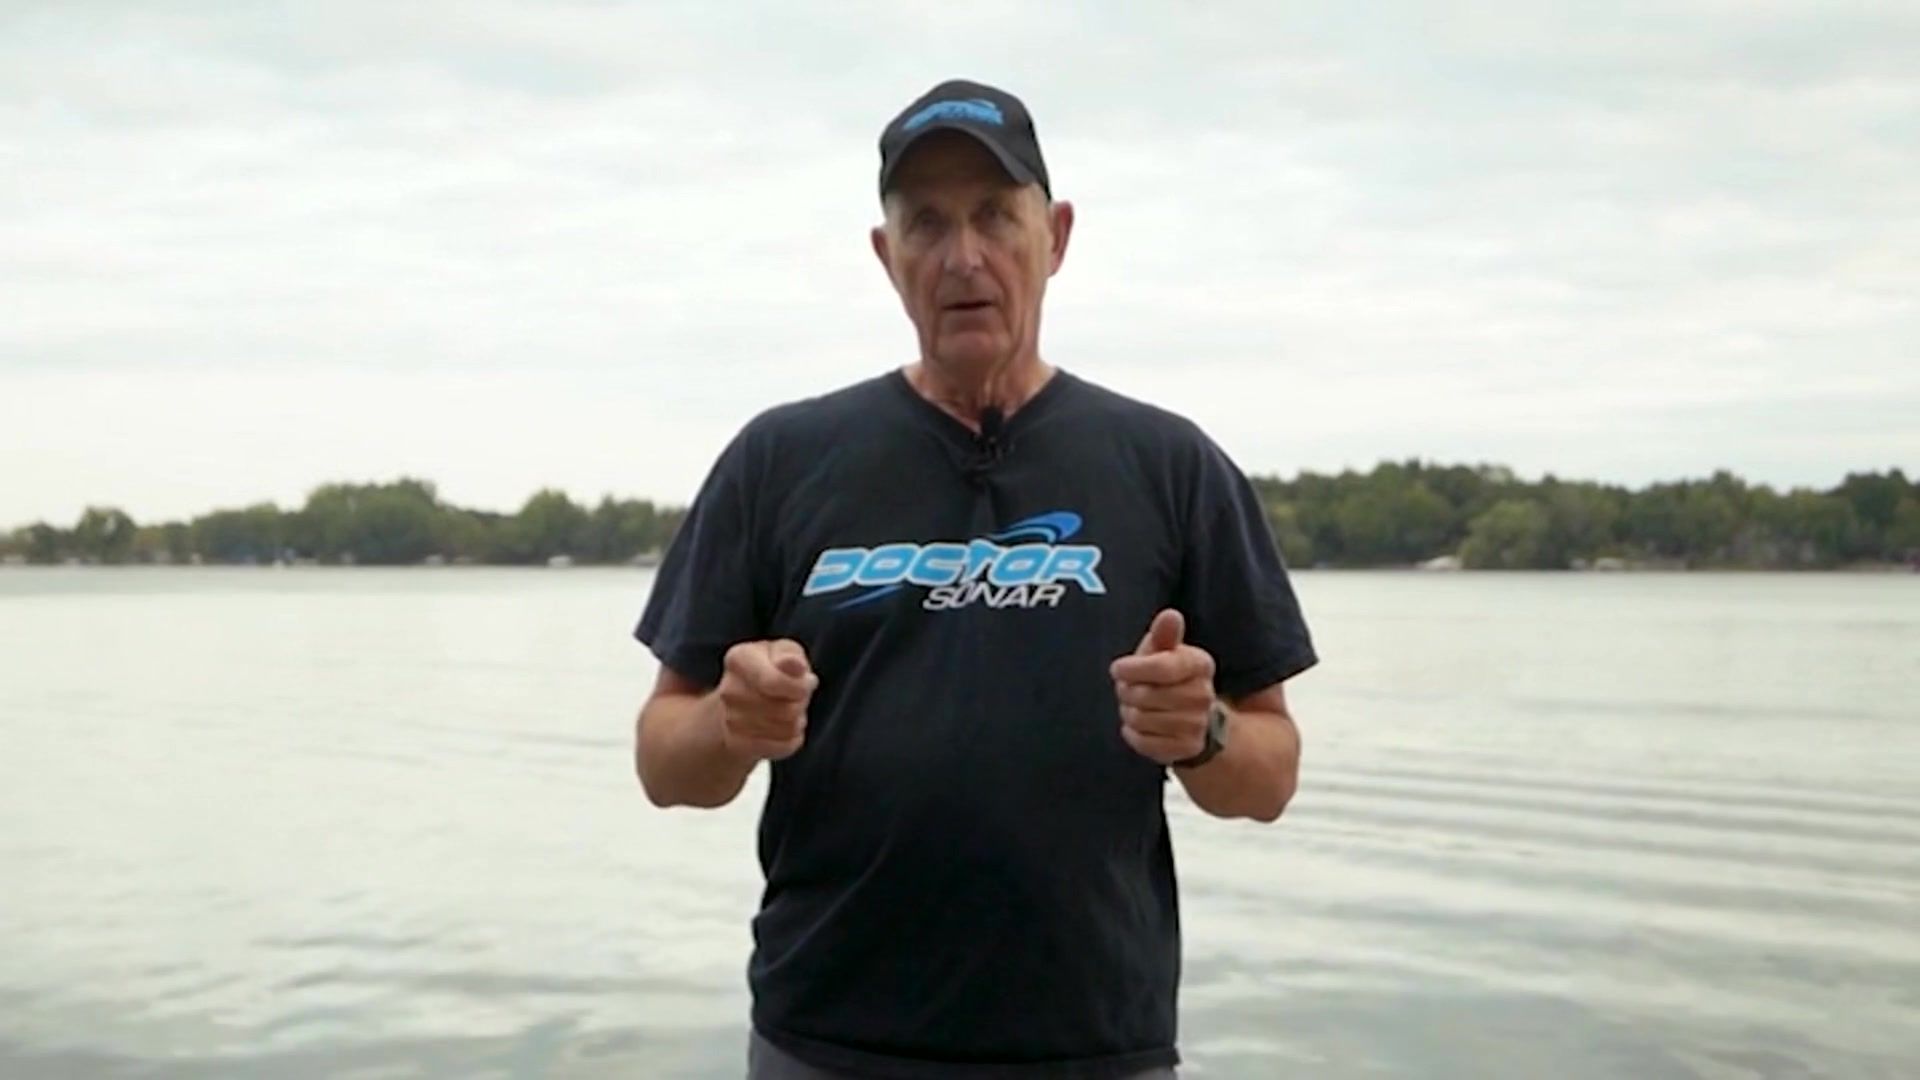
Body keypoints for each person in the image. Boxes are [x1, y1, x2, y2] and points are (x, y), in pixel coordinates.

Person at [633, 78, 1317, 1080]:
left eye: (996, 215)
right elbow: (663, 762)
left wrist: (1202, 731)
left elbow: (1271, 773)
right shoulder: (779, 460)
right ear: (886, 255)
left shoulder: (1172, 467)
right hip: (827, 1044)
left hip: (1095, 1048)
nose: (964, 257)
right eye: (927, 223)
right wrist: (730, 727)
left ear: (1058, 236)